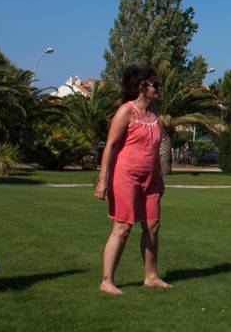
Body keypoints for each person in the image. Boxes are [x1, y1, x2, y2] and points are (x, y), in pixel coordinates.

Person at [95, 66, 169, 295]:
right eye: (154, 84)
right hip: (125, 176)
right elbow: (111, 145)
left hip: (151, 179)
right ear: (141, 87)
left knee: (152, 226)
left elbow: (154, 150)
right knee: (123, 226)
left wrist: (159, 178)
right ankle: (107, 280)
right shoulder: (126, 111)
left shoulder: (154, 114)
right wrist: (102, 180)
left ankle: (151, 276)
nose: (158, 88)